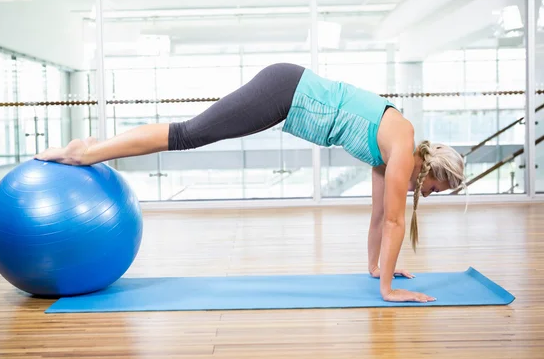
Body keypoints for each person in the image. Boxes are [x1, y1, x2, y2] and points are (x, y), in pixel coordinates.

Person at [35, 63, 466, 303]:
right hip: (287, 90)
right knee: (188, 135)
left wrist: (377, 271)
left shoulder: (391, 151)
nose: (425, 195)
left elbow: (377, 219)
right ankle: (86, 153)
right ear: (432, 172)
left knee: (190, 134)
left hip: (287, 93)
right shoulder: (402, 147)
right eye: (435, 190)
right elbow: (393, 223)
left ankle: (93, 146)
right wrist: (390, 291)